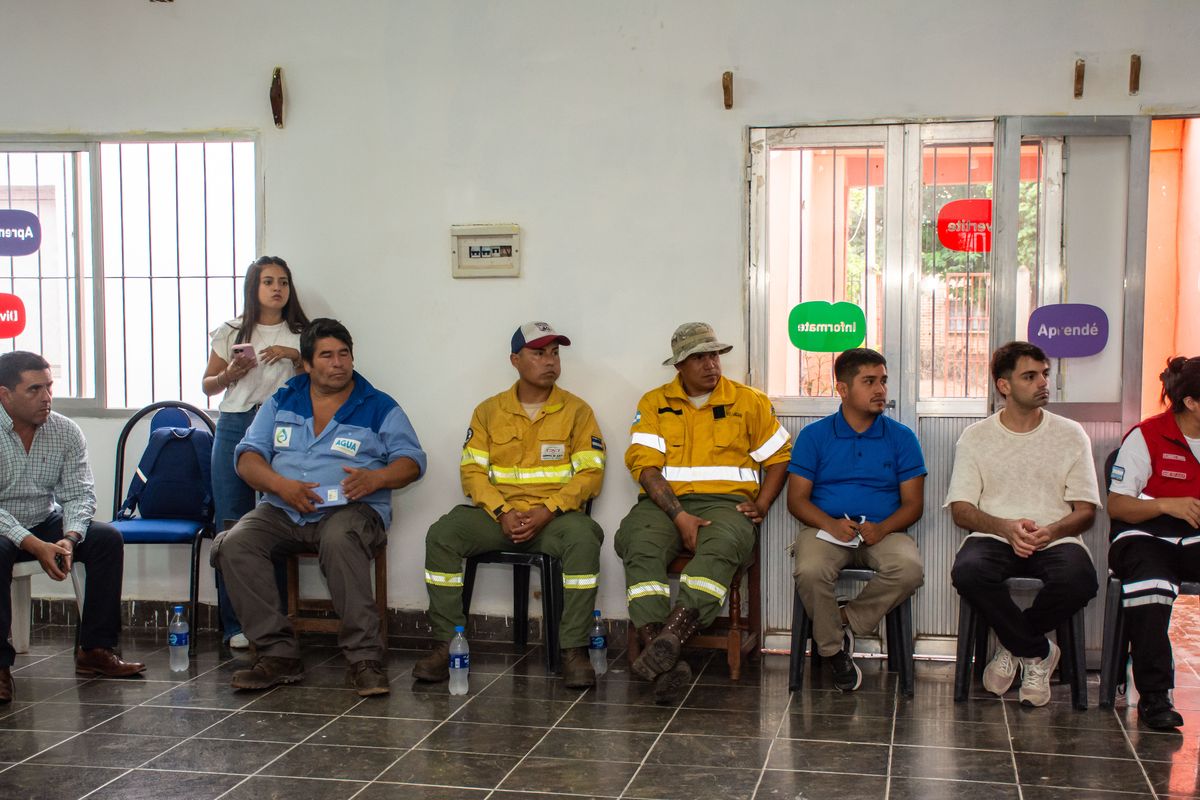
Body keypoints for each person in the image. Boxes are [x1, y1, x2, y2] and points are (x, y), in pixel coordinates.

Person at [213, 319, 426, 696]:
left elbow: (412, 461)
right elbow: (246, 457)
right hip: (282, 507)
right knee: (235, 543)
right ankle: (278, 655)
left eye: (344, 354)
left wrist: (376, 479)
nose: (338, 363)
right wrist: (281, 486)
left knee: (340, 538)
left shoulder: (378, 405)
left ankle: (364, 660)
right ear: (308, 364)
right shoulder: (283, 399)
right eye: (326, 356)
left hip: (352, 510)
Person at [414, 322, 605, 688]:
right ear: (515, 360)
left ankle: (574, 650)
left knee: (584, 539)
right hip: (498, 517)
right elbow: (471, 472)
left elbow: (590, 475)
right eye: (539, 353)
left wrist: (548, 509)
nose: (550, 362)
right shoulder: (488, 411)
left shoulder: (578, 412)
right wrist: (502, 512)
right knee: (442, 534)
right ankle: (446, 645)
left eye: (555, 353)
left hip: (555, 520)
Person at [615, 322, 791, 702]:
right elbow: (646, 468)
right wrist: (679, 515)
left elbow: (779, 458)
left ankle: (668, 641)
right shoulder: (653, 403)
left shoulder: (749, 402)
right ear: (679, 365)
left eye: (714, 355)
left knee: (721, 547)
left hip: (726, 505)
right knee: (637, 542)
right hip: (664, 507)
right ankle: (661, 650)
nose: (711, 364)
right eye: (699, 358)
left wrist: (761, 503)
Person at [947, 341, 1100, 708]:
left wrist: (1052, 531)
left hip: (1056, 536)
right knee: (968, 572)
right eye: (1030, 376)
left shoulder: (1071, 433)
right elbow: (962, 510)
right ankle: (1039, 651)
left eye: (1044, 374)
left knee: (1080, 579)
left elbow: (1086, 511)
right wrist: (1005, 527)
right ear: (1004, 386)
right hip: (995, 534)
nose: (1042, 383)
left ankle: (1014, 644)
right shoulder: (976, 436)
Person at [0, 351, 145, 703]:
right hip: (3, 525)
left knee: (106, 538)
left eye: (49, 387)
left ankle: (94, 649)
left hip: (44, 519)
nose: (47, 398)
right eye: (34, 389)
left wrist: (69, 538)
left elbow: (80, 494)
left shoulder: (64, 431)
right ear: (5, 394)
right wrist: (33, 544)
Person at [787, 348, 925, 692]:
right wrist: (830, 524)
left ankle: (842, 620)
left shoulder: (902, 437)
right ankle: (834, 653)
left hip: (883, 531)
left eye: (883, 381)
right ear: (843, 389)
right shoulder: (814, 436)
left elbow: (914, 505)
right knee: (810, 570)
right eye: (869, 382)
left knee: (909, 568)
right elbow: (796, 500)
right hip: (827, 528)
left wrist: (882, 528)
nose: (880, 390)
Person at [202, 256, 310, 650]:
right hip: (233, 424)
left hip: (281, 428)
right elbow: (209, 385)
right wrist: (230, 373)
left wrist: (295, 355)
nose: (277, 288)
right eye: (268, 281)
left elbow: (321, 382)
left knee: (273, 521)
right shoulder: (231, 330)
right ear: (255, 287)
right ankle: (234, 625)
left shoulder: (302, 333)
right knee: (231, 522)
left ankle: (274, 620)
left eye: (283, 281)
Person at [1107, 356, 1200, 729]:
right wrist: (1166, 504)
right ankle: (1155, 697)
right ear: (1191, 402)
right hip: (1144, 535)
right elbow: (1117, 505)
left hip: (1194, 538)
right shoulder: (1147, 435)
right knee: (1152, 588)